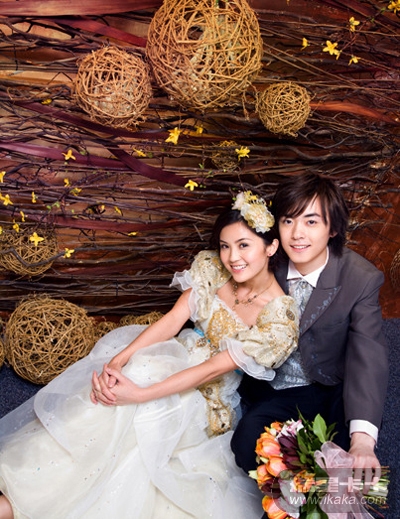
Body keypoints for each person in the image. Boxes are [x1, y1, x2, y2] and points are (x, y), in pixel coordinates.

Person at [0, 191, 299, 519]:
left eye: (244, 245)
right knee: (117, 385)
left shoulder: (278, 318)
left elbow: (210, 370)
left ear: (271, 247)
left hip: (205, 393)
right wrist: (120, 359)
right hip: (169, 356)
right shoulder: (213, 270)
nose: (232, 257)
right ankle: (29, 490)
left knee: (142, 416)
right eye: (225, 246)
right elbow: (172, 321)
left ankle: (28, 506)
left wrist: (140, 394)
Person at [231, 172, 389, 494]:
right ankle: (294, 495)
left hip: (330, 384)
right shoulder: (264, 262)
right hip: (277, 387)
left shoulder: (361, 278)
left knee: (350, 461)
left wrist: (362, 440)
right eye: (288, 221)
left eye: (311, 222)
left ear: (333, 228)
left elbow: (368, 355)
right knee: (245, 444)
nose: (297, 234)